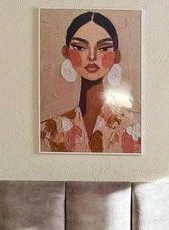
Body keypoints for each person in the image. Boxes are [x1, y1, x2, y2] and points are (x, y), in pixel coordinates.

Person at [41, 11, 140, 153]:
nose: (92, 57)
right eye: (80, 47)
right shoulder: (48, 131)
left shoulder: (137, 128)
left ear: (116, 56)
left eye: (104, 48)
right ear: (66, 52)